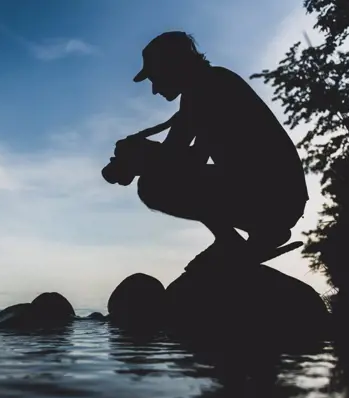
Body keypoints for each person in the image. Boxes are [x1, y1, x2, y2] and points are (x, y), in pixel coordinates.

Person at [111, 31, 309, 270]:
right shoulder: (207, 85)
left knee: (152, 186)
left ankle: (239, 239)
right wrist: (143, 155)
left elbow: (184, 161)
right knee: (158, 178)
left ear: (172, 65)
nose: (154, 89)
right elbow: (176, 154)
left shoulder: (207, 88)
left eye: (154, 77)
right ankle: (254, 235)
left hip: (274, 195)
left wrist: (140, 159)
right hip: (279, 194)